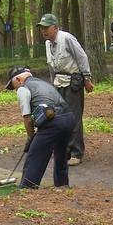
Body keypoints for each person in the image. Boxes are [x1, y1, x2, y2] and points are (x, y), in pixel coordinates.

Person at [37, 13, 95, 166]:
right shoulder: (47, 44)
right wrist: (52, 85)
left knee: (73, 118)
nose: (44, 31)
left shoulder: (67, 39)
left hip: (73, 82)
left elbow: (82, 57)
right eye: (41, 28)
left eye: (46, 27)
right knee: (60, 118)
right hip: (58, 83)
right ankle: (64, 151)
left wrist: (87, 79)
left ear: (55, 27)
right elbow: (51, 66)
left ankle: (76, 152)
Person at [5, 66, 76, 188]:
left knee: (35, 155)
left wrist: (31, 138)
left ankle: (28, 187)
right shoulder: (43, 83)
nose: (15, 90)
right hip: (69, 118)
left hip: (54, 122)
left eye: (13, 86)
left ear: (17, 79)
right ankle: (62, 185)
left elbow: (27, 119)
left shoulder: (23, 88)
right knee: (61, 154)